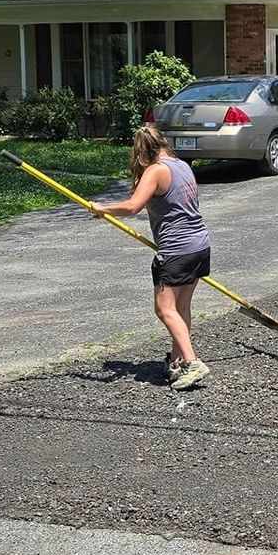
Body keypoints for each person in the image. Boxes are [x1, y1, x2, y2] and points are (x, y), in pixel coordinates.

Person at [90, 127, 211, 389]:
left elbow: (133, 206)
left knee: (164, 309)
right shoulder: (182, 165)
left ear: (142, 150)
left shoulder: (156, 170)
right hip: (199, 245)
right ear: (163, 143)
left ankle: (192, 362)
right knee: (181, 307)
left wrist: (103, 208)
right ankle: (178, 361)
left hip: (176, 249)